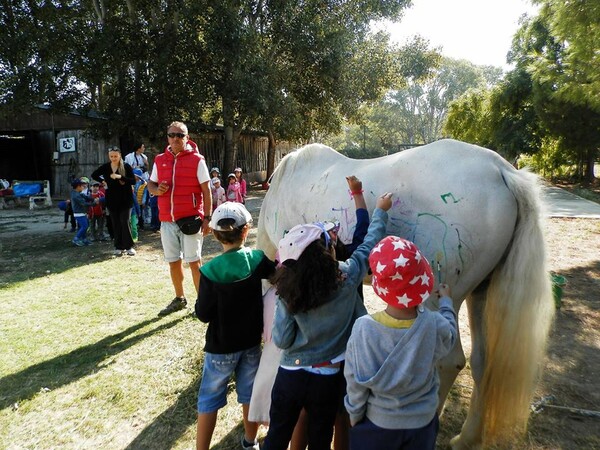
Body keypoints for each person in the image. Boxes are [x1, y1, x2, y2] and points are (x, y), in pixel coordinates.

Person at [261, 192, 392, 450]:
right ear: (327, 251)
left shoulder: (288, 289)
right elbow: (368, 245)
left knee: (276, 437)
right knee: (320, 438)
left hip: (291, 377)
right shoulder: (347, 276)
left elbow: (282, 339)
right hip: (328, 379)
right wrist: (381, 211)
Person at [344, 236, 458, 450]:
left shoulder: (363, 329)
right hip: (422, 425)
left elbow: (354, 379)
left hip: (376, 426)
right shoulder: (435, 324)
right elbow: (450, 336)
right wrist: (446, 302)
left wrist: (354, 413)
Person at [195, 202, 276, 450]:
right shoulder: (256, 259)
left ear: (216, 234)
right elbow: (275, 274)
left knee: (209, 398)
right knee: (249, 394)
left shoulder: (208, 272)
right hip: (251, 344)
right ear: (246, 230)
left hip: (219, 348)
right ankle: (249, 442)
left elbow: (203, 314)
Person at [147, 121, 212, 317]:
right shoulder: (160, 159)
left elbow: (207, 191)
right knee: (173, 261)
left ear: (187, 138)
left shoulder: (197, 160)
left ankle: (202, 303)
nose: (175, 138)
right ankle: (179, 298)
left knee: (194, 262)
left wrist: (208, 218)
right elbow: (151, 183)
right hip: (167, 220)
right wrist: (156, 190)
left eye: (180, 135)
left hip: (191, 219)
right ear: (167, 137)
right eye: (172, 134)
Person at [91, 146, 137, 256]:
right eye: (111, 156)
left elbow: (133, 181)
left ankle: (129, 246)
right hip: (112, 199)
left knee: (125, 222)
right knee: (115, 223)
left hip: (125, 199)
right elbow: (94, 175)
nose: (113, 158)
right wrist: (102, 181)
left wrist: (120, 176)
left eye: (115, 156)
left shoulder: (126, 166)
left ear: (120, 155)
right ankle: (118, 246)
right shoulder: (106, 167)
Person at [70, 178, 98, 247]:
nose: (84, 187)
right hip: (79, 213)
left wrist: (93, 199)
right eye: (82, 185)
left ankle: (84, 239)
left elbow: (85, 197)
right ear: (78, 186)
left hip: (81, 213)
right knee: (84, 226)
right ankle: (76, 239)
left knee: (85, 226)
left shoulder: (77, 193)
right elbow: (83, 203)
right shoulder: (76, 195)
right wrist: (94, 204)